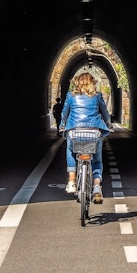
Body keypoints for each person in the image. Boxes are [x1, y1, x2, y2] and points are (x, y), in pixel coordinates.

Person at [59, 72, 110, 203]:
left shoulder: (70, 96)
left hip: (74, 132)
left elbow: (64, 113)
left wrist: (62, 126)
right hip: (94, 133)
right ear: (92, 83)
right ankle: (97, 187)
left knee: (70, 150)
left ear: (76, 82)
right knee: (97, 160)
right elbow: (105, 113)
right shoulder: (97, 96)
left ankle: (71, 181)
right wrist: (108, 124)